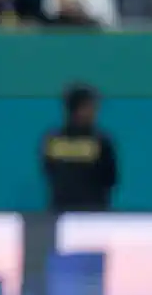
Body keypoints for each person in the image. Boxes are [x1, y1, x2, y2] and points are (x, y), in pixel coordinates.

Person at [40, 84, 118, 212]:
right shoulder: (101, 141)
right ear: (79, 109)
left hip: (60, 210)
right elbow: (111, 178)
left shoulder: (52, 140)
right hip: (93, 212)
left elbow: (48, 171)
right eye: (91, 106)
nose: (95, 111)